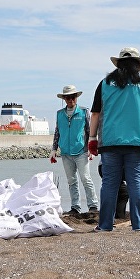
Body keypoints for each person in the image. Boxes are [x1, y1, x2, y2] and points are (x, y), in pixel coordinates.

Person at [89, 47, 140, 232]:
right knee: (136, 181)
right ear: (138, 66)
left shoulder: (105, 84)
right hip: (137, 142)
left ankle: (105, 225)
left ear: (118, 65)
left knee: (109, 183)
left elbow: (95, 113)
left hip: (110, 142)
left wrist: (92, 138)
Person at [50, 85, 98, 214]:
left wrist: (91, 147)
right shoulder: (59, 114)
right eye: (67, 97)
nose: (70, 99)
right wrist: (54, 149)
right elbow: (57, 131)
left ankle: (93, 205)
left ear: (76, 98)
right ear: (64, 99)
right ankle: (75, 207)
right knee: (71, 181)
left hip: (81, 151)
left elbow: (89, 130)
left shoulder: (84, 112)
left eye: (73, 97)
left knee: (86, 178)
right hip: (65, 152)